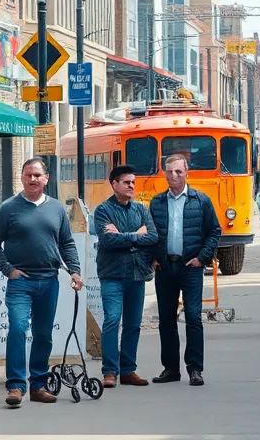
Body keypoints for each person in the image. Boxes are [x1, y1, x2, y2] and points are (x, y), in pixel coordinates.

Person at [0, 159, 84, 408]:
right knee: (18, 329)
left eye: (37, 175)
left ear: (46, 179)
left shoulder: (57, 209)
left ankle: (38, 385)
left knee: (43, 334)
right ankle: (16, 386)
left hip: (49, 280)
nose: (32, 179)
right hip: (21, 283)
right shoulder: (8, 208)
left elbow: (67, 243)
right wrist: (8, 270)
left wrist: (75, 271)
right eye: (28, 175)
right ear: (22, 177)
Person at [148, 154, 222, 386]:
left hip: (190, 268)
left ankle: (195, 369)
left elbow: (214, 231)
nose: (174, 175)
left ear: (186, 172)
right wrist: (153, 258)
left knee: (193, 318)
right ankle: (171, 369)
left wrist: (202, 258)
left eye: (178, 171)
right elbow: (150, 233)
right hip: (165, 268)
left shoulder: (201, 201)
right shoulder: (157, 203)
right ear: (164, 173)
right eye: (170, 171)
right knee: (166, 320)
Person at [92, 165, 157, 388]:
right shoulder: (103, 210)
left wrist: (123, 237)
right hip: (112, 274)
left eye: (133, 182)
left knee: (133, 324)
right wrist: (136, 236)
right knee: (112, 320)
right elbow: (108, 240)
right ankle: (110, 371)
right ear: (114, 184)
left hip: (137, 274)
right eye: (126, 182)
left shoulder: (141, 210)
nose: (131, 186)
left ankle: (128, 370)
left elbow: (153, 237)